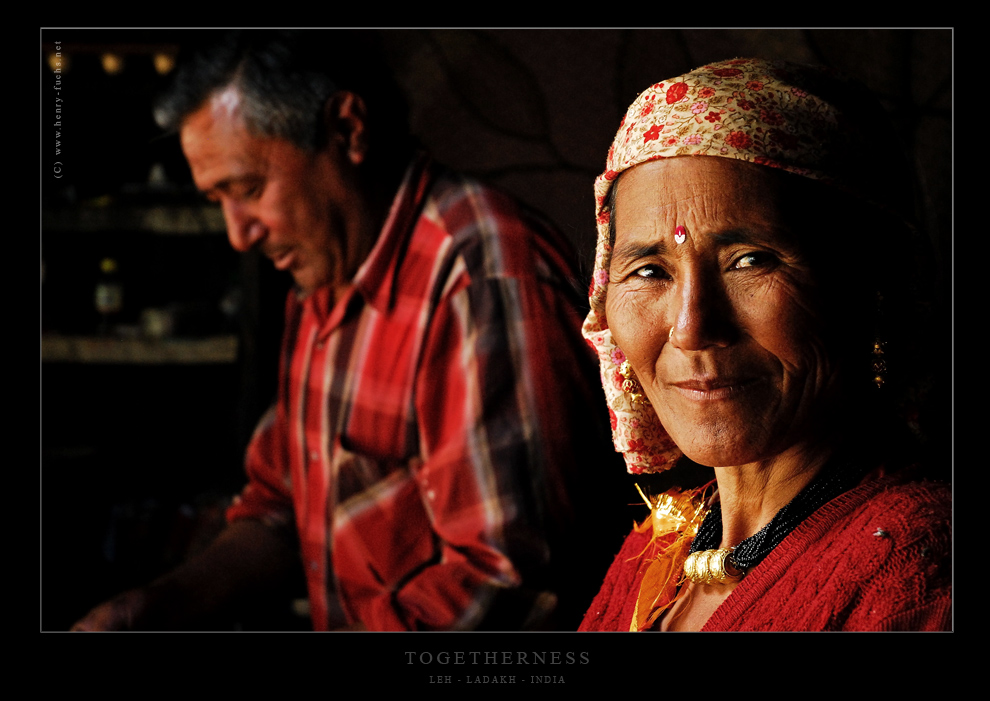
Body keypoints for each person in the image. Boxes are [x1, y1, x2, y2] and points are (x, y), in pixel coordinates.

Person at [72, 30, 622, 631]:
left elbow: (507, 588)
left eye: (250, 190)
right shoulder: (323, 279)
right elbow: (281, 505)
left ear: (348, 130)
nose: (238, 235)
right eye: (217, 202)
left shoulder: (479, 277)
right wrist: (155, 608)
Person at [578, 58, 950, 631]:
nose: (692, 327)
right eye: (650, 270)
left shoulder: (915, 572)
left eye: (751, 261)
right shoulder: (654, 550)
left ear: (867, 286)